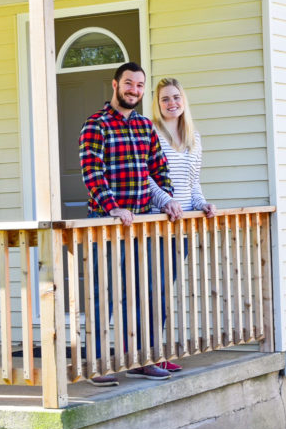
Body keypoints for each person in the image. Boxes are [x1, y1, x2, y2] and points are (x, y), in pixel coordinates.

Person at [79, 62, 182, 386]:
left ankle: (142, 359)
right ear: (115, 85)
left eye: (139, 85)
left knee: (145, 294)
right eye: (128, 83)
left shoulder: (144, 127)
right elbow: (92, 173)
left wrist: (166, 199)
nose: (134, 90)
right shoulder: (95, 125)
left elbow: (159, 169)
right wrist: (114, 208)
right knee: (102, 295)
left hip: (140, 225)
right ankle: (96, 366)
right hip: (106, 224)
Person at [147, 77, 217, 373]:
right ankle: (147, 356)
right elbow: (145, 176)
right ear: (157, 103)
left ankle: (153, 354)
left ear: (183, 100)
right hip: (158, 223)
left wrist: (202, 204)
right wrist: (164, 201)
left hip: (183, 227)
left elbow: (193, 182)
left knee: (164, 291)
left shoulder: (193, 137)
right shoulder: (151, 133)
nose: (171, 103)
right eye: (165, 99)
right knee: (153, 291)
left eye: (176, 97)